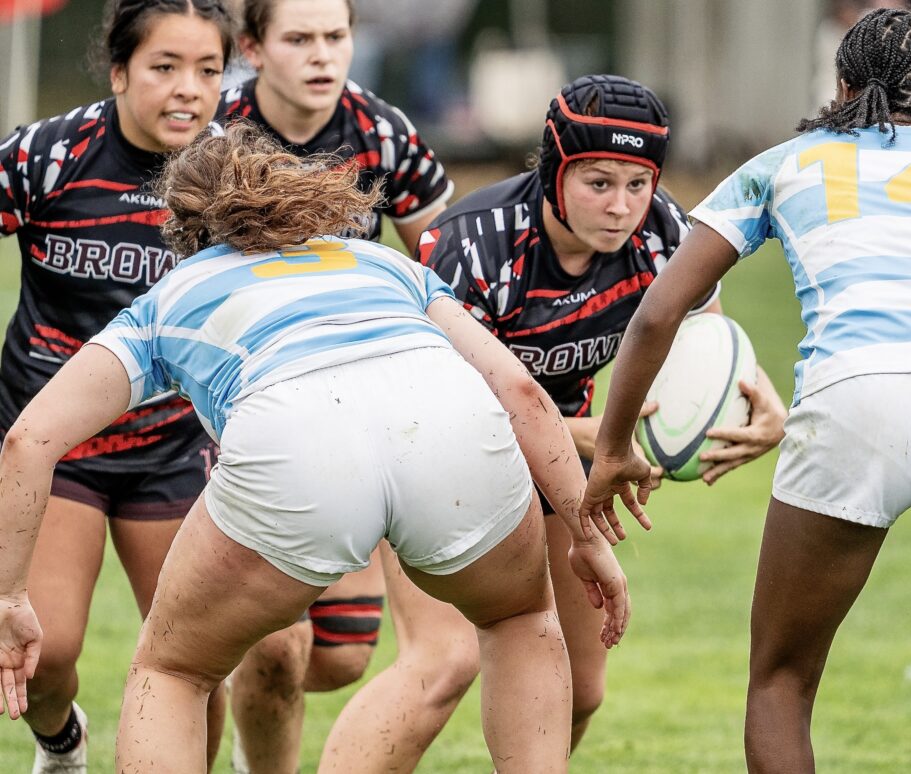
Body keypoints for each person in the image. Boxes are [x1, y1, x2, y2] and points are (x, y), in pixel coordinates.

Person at [0, 122, 629, 773]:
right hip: (450, 425)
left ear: (185, 229)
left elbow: (29, 438)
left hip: (298, 444)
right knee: (521, 620)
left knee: (174, 669)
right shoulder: (384, 263)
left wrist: (10, 597)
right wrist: (586, 533)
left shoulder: (174, 294)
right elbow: (523, 394)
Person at [582, 9, 911, 772]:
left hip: (851, 400)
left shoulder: (787, 161)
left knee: (781, 682)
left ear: (844, 85)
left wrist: (614, 446)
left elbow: (660, 311)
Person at [418, 74, 788, 750]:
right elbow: (443, 406)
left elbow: (705, 347)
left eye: (638, 184)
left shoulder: (665, 231)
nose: (622, 207)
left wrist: (759, 401)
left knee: (581, 692)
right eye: (598, 183)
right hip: (441, 458)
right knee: (440, 667)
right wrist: (605, 436)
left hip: (565, 460)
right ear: (554, 170)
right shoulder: (474, 243)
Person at [216, 3, 478, 771]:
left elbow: (450, 258)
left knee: (338, 659)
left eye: (336, 37)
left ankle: (247, 710)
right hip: (244, 411)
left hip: (361, 411)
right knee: (273, 646)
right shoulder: (212, 130)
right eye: (299, 39)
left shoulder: (383, 131)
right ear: (254, 49)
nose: (323, 56)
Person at [0, 1, 234, 769]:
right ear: (120, 70)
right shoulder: (46, 155)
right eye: (165, 67)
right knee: (47, 652)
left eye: (208, 70)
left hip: (173, 447)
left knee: (196, 655)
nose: (188, 90)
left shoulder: (235, 175)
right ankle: (60, 743)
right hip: (54, 445)